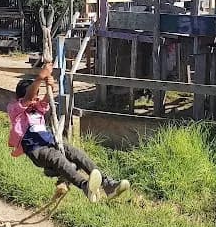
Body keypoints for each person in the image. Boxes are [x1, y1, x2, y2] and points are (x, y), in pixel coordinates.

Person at [7, 62, 129, 202]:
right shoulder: (15, 109)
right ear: (20, 97)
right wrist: (40, 77)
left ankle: (108, 184)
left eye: (37, 95)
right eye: (34, 95)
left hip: (51, 143)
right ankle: (85, 186)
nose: (36, 98)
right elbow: (28, 97)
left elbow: (46, 99)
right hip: (36, 149)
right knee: (57, 157)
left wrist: (49, 85)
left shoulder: (38, 107)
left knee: (76, 153)